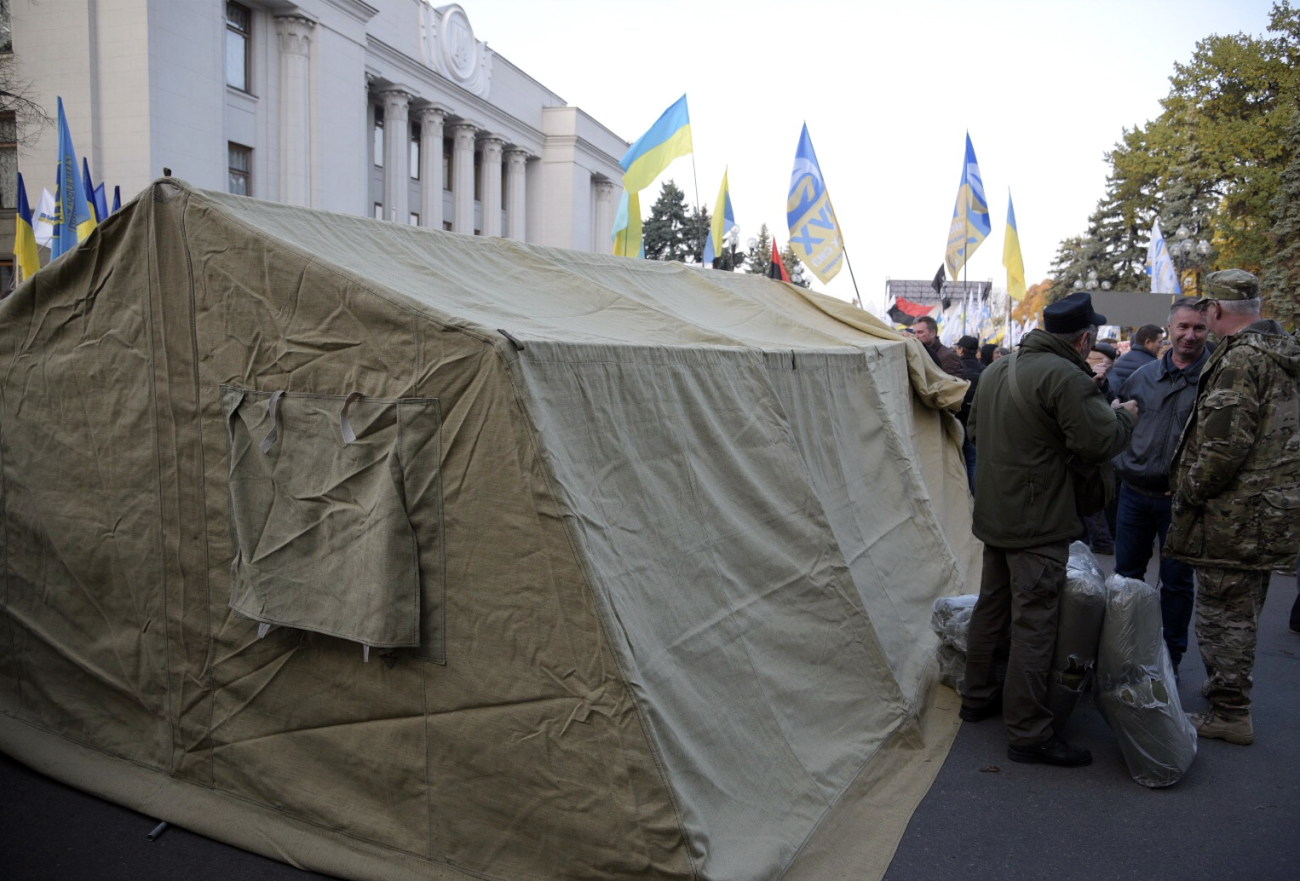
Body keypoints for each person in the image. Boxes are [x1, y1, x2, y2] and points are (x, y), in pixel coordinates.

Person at [961, 291, 1139, 767]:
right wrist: (1126, 416)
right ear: (1084, 339)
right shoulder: (1066, 376)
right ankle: (1029, 732)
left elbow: (974, 429)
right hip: (1038, 521)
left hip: (997, 512)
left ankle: (976, 697)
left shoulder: (1000, 367)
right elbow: (1099, 441)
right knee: (1034, 625)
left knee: (992, 610)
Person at [1166, 269, 1300, 746]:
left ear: (1216, 311)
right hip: (1268, 510)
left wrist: (1189, 492)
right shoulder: (1281, 351)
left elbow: (1222, 446)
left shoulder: (1241, 361)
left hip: (1234, 515)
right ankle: (1227, 695)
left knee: (1224, 613)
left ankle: (1230, 711)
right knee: (1242, 608)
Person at [1111, 301, 1210, 674]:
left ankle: (1170, 660)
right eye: (1183, 327)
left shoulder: (1214, 379)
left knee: (1178, 583)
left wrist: (1190, 484)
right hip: (1134, 494)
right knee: (1126, 579)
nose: (1190, 335)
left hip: (1181, 502)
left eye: (1198, 328)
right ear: (1168, 329)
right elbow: (1121, 423)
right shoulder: (1143, 376)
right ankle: (1121, 652)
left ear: (1208, 331)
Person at [954, 335, 984, 492]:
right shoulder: (985, 369)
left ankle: (962, 493)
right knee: (974, 460)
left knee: (958, 459)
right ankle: (975, 493)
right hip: (977, 420)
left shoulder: (957, 369)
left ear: (961, 350)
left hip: (957, 419)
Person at [1110, 324, 1163, 393]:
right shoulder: (1154, 366)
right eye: (1159, 342)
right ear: (1148, 342)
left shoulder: (1119, 360)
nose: (1161, 346)